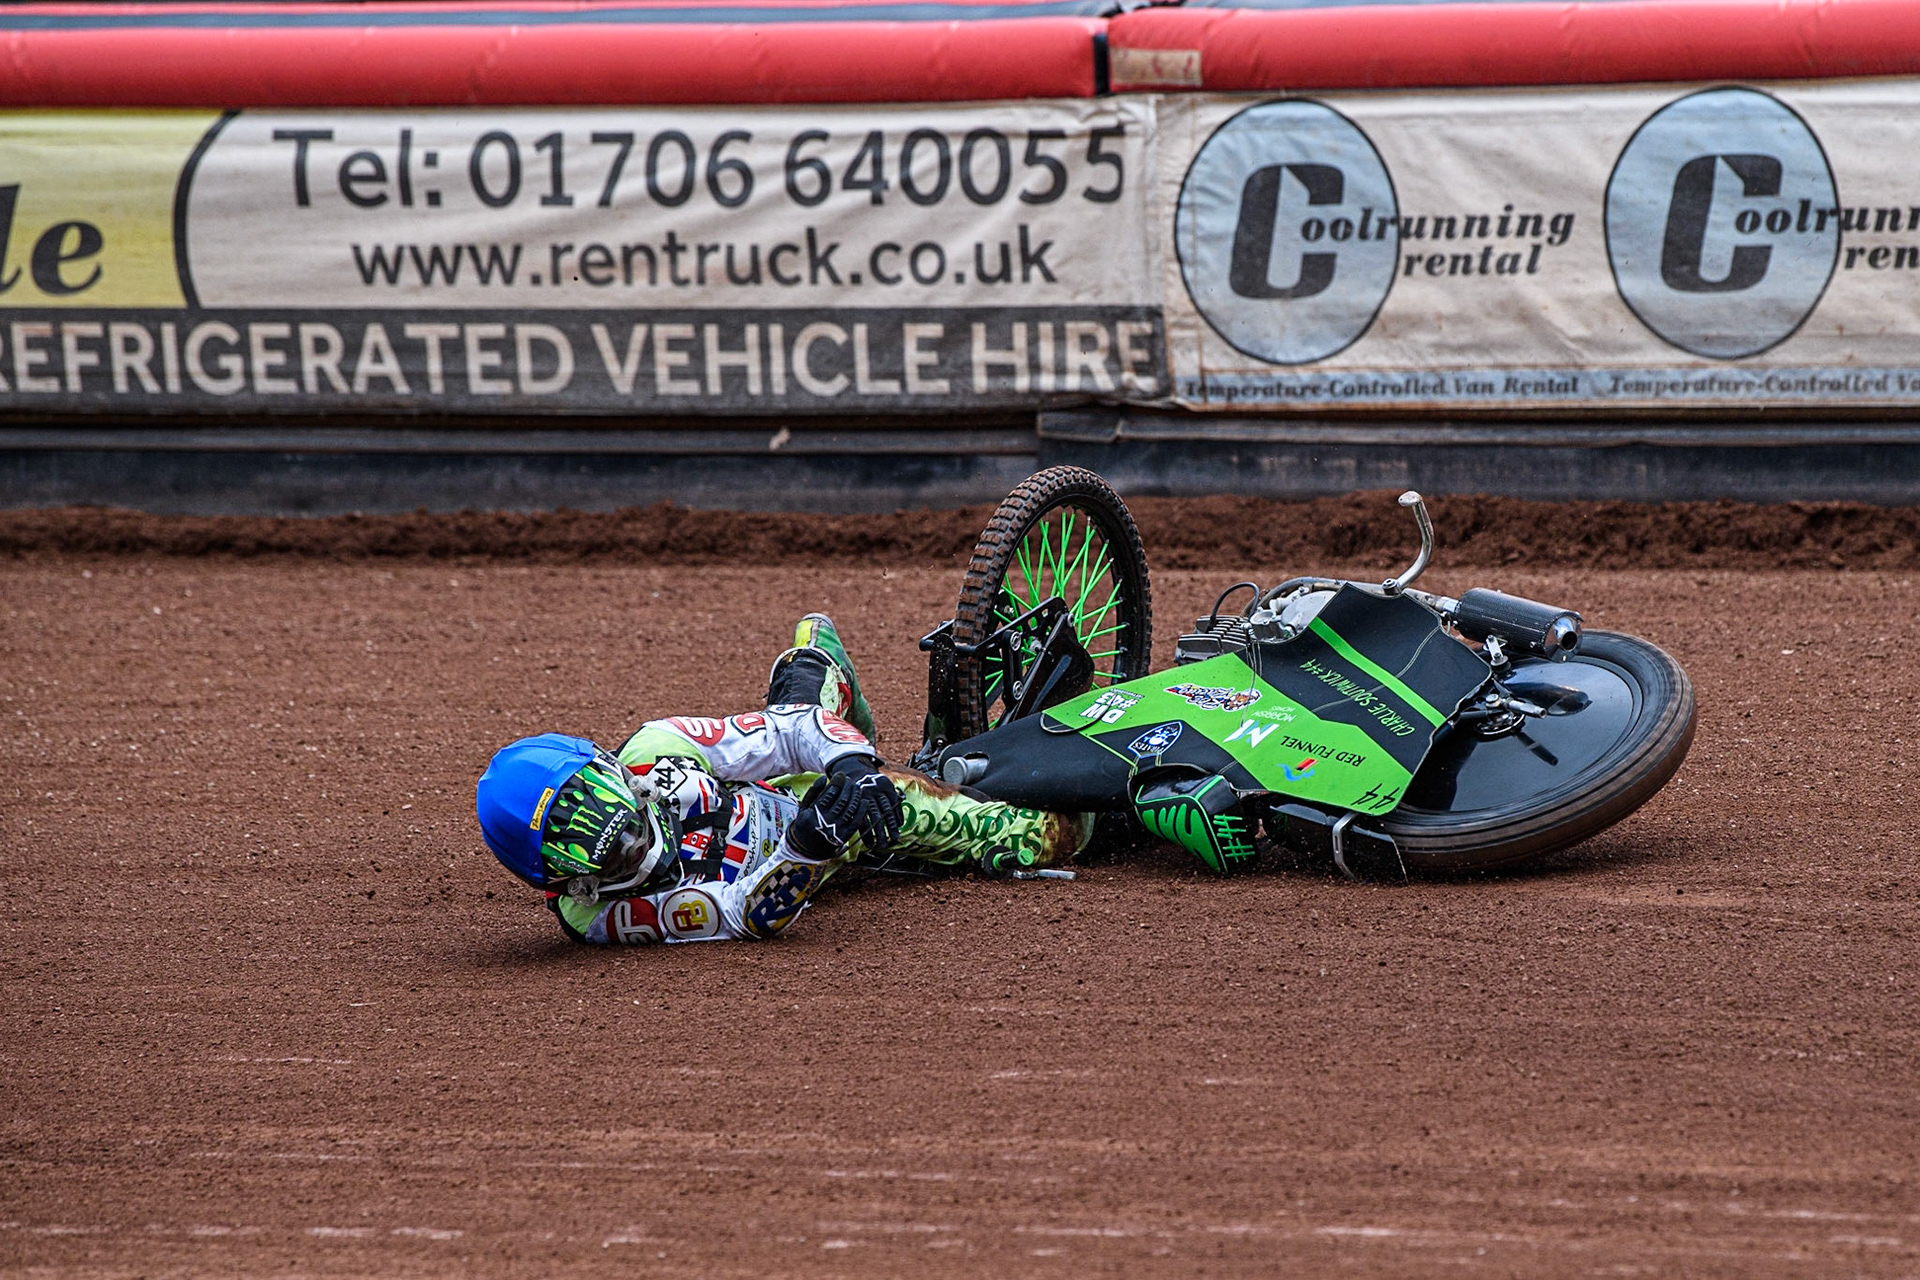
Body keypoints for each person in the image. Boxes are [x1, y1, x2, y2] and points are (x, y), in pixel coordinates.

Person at [476, 614, 1090, 946]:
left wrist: (854, 770)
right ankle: (1096, 797)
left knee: (810, 660)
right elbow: (745, 913)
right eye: (614, 859)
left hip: (789, 785)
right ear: (563, 881)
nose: (638, 848)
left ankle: (887, 736)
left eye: (632, 827)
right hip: (812, 841)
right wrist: (811, 845)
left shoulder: (655, 747)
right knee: (1036, 836)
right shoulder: (600, 919)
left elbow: (790, 731)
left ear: (612, 772)